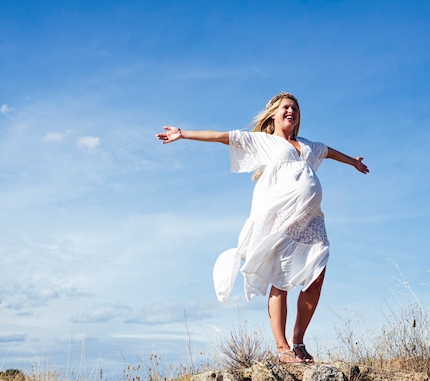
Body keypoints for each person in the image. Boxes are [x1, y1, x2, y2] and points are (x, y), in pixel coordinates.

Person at [156, 92, 369, 364]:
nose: (291, 111)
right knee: (280, 279)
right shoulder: (263, 141)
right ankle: (282, 348)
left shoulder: (307, 146)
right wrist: (183, 133)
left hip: (312, 219)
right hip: (281, 218)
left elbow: (329, 151)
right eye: (285, 107)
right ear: (273, 114)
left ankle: (298, 341)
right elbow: (222, 136)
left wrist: (353, 162)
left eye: (295, 108)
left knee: (316, 277)